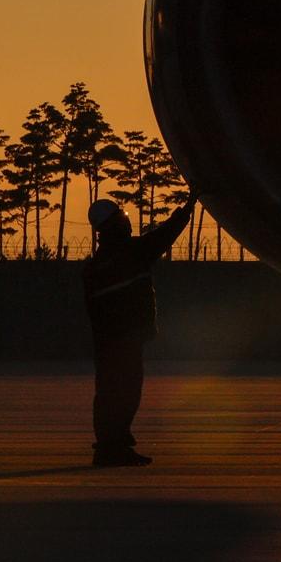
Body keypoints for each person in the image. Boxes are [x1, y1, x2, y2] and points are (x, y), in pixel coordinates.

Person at [82, 192, 196, 466]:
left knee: (112, 392)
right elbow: (164, 236)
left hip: (110, 342)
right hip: (123, 340)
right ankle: (111, 448)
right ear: (113, 225)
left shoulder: (97, 265)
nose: (127, 223)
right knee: (123, 392)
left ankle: (113, 444)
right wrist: (187, 208)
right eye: (122, 218)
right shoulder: (129, 254)